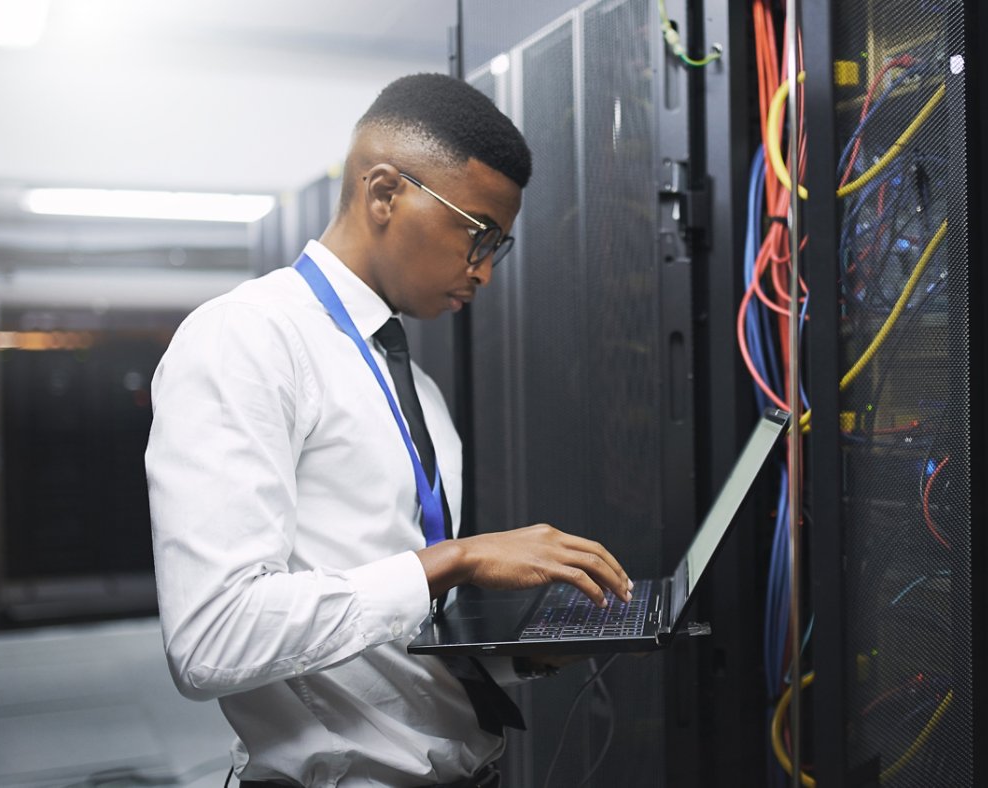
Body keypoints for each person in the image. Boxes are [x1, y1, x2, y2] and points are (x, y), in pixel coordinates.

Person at [145, 72, 632, 787]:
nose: (484, 272)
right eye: (478, 235)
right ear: (384, 193)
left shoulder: (414, 385)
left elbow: (390, 627)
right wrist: (455, 560)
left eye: (498, 246)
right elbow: (213, 638)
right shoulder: (245, 338)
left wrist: (521, 654)